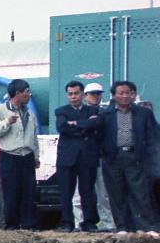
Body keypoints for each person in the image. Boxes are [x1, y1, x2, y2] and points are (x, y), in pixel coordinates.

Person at [99, 80, 159, 233]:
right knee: (117, 193)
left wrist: (152, 160)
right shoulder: (105, 115)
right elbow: (97, 137)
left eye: (129, 93)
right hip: (113, 158)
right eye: (121, 93)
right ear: (113, 95)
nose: (125, 96)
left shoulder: (144, 113)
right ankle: (123, 227)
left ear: (133, 95)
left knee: (141, 193)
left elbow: (153, 137)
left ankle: (147, 227)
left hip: (135, 158)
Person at [0, 78, 40, 230]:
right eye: (27, 92)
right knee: (11, 191)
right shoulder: (1, 110)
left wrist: (36, 155)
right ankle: (12, 224)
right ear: (18, 93)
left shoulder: (28, 112)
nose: (29, 95)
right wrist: (7, 122)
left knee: (29, 191)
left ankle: (29, 224)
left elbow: (33, 136)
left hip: (27, 156)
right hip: (9, 155)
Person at [55, 80, 103, 232]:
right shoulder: (61, 111)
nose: (73, 97)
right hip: (67, 157)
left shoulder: (92, 111)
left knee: (87, 191)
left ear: (82, 94)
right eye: (70, 94)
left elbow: (95, 125)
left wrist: (74, 123)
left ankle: (89, 222)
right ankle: (67, 222)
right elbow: (62, 127)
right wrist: (84, 125)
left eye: (76, 93)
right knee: (66, 192)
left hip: (87, 156)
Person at [79, 82, 116, 230]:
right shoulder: (78, 111)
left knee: (104, 193)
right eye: (92, 93)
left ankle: (107, 223)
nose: (96, 96)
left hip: (101, 157)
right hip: (83, 157)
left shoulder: (106, 113)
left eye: (98, 93)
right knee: (80, 193)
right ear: (85, 95)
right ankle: (80, 222)